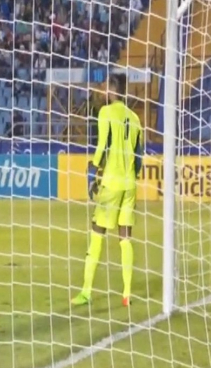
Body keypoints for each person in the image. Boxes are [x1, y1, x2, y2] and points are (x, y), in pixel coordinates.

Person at [71, 73, 144, 307]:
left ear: (112, 90)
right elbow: (139, 158)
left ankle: (86, 291)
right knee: (125, 238)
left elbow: (102, 145)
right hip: (130, 184)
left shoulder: (105, 112)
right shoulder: (135, 118)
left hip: (111, 182)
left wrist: (93, 171)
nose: (102, 92)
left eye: (104, 88)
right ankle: (126, 294)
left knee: (97, 232)